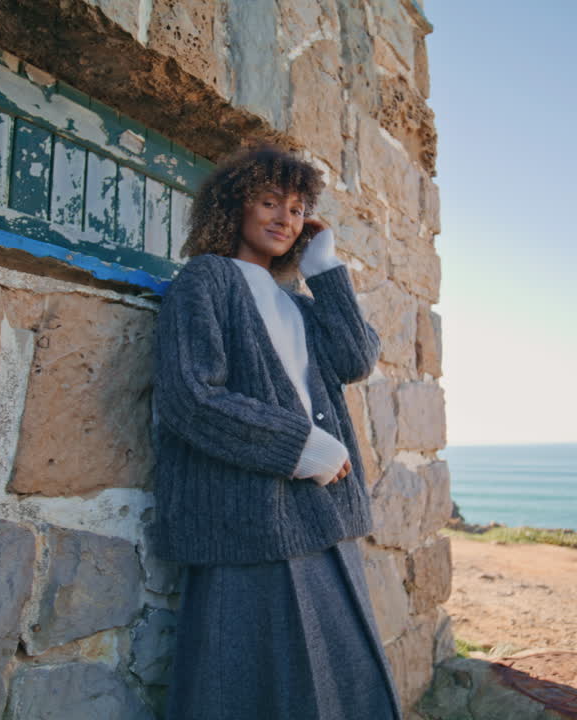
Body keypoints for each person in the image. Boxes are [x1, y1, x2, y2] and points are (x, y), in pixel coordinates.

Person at [150, 145, 402, 719]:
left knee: (341, 683)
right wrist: (302, 447)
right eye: (269, 202)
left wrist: (324, 267)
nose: (285, 218)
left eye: (297, 208)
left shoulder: (296, 303)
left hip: (323, 518)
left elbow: (356, 358)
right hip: (250, 521)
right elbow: (192, 398)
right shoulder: (206, 280)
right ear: (232, 208)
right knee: (248, 689)